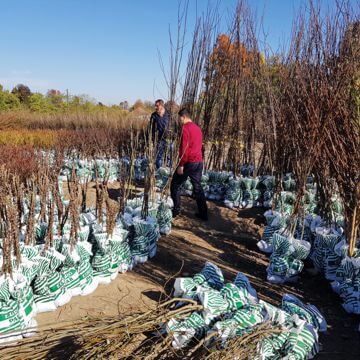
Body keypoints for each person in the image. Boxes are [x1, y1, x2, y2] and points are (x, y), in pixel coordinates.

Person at [170, 108, 208, 221]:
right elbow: (200, 146)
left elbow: (184, 149)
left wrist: (181, 165)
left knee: (175, 185)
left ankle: (176, 210)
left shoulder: (185, 128)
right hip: (198, 162)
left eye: (179, 118)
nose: (179, 120)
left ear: (183, 117)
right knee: (197, 187)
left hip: (189, 162)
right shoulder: (197, 128)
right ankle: (204, 214)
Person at [149, 99, 170, 169]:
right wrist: (151, 140)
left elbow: (173, 126)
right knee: (158, 157)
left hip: (169, 139)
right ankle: (159, 171)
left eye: (157, 106)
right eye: (155, 106)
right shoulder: (154, 115)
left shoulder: (169, 114)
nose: (155, 107)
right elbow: (150, 128)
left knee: (169, 156)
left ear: (161, 106)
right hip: (158, 140)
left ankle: (167, 172)